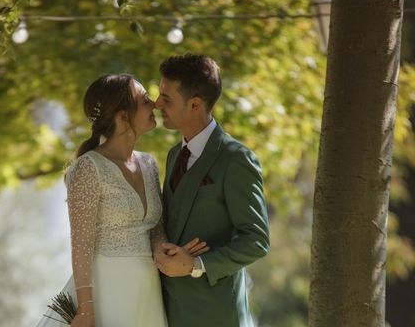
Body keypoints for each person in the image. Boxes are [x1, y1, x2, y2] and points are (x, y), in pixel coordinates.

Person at [36, 73, 206, 327]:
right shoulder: (88, 168)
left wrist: (161, 248)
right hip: (107, 290)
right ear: (122, 115)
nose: (155, 104)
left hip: (147, 291)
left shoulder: (148, 164)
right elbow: (81, 244)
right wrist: (86, 311)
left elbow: (155, 229)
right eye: (144, 100)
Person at [153, 54, 270, 327]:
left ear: (195, 104)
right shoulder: (173, 156)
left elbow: (257, 240)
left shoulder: (236, 159)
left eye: (166, 98)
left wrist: (197, 265)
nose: (157, 104)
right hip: (171, 314)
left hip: (218, 316)